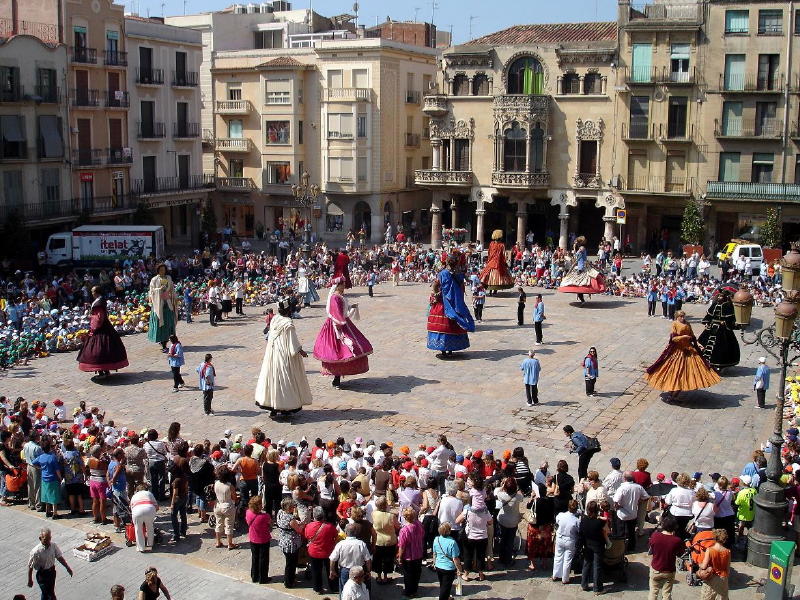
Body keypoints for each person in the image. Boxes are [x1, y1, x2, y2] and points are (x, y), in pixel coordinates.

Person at [645, 311, 722, 402]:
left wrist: (698, 344)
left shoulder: (688, 324)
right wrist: (683, 337)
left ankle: (676, 393)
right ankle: (672, 392)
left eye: (683, 316)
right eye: (680, 316)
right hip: (677, 350)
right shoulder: (675, 324)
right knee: (675, 371)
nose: (682, 318)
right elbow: (673, 338)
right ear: (677, 317)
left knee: (688, 372)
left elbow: (692, 336)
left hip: (689, 349)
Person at [255, 297, 312, 417]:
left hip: (272, 352)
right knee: (284, 378)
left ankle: (273, 408)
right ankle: (285, 407)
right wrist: (300, 351)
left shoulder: (275, 318)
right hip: (283, 353)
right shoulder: (287, 323)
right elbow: (293, 341)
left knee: (272, 377)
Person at [313, 276, 373, 388]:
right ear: (338, 285)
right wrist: (340, 327)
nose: (344, 286)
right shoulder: (334, 298)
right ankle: (336, 377)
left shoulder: (340, 296)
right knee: (338, 350)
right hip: (336, 326)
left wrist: (351, 307)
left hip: (344, 323)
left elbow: (343, 311)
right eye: (343, 284)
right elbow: (336, 314)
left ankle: (338, 376)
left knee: (350, 348)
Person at [427, 253, 475, 357]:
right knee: (453, 325)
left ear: (447, 262)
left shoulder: (443, 273)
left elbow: (435, 284)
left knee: (444, 325)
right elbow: (462, 286)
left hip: (444, 303)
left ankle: (443, 350)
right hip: (456, 303)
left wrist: (436, 294)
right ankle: (450, 350)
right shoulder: (459, 274)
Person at [77, 286, 129, 379]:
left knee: (98, 350)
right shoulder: (99, 301)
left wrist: (92, 322)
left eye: (93, 292)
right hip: (105, 326)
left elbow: (99, 318)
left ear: (96, 292)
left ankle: (103, 372)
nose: (92, 293)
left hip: (100, 328)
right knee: (103, 349)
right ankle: (105, 370)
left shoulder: (99, 303)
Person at [698, 289, 740, 370]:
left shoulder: (727, 305)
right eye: (719, 296)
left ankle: (719, 364)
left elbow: (731, 318)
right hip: (712, 327)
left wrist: (725, 322)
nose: (719, 298)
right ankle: (704, 362)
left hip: (722, 329)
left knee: (721, 346)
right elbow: (709, 315)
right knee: (704, 342)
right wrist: (707, 322)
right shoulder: (715, 304)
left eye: (721, 296)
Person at [27, 528, 73, 600]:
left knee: (47, 593)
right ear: (40, 538)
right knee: (50, 594)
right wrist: (30, 579)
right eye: (46, 540)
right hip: (42, 575)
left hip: (51, 573)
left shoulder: (53, 546)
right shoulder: (35, 551)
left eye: (49, 539)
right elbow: (30, 566)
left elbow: (59, 557)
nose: (48, 542)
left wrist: (67, 567)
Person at [558, 236, 606, 303]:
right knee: (577, 284)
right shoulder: (579, 249)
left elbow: (581, 258)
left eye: (576, 242)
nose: (575, 243)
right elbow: (576, 258)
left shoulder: (582, 248)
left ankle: (582, 300)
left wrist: (575, 249)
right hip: (579, 266)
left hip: (582, 267)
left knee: (580, 284)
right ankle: (582, 300)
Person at [648, 514, 684, 600]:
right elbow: (680, 554)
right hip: (669, 570)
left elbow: (651, 548)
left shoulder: (655, 536)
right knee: (667, 593)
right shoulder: (677, 540)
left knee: (653, 591)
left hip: (656, 568)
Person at [305, 506, 339, 594]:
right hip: (328, 552)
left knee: (316, 571)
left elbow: (307, 536)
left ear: (314, 516)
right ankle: (334, 586)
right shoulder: (330, 527)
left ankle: (317, 588)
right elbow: (335, 536)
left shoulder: (309, 526)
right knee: (331, 569)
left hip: (314, 552)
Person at [330, 522, 373, 593]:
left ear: (346, 533)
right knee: (359, 590)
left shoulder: (340, 544)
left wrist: (332, 570)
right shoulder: (361, 544)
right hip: (358, 571)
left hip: (345, 570)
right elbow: (368, 560)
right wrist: (368, 571)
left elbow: (332, 558)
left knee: (344, 591)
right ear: (356, 533)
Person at [613, 471, 649, 552]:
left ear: (624, 478)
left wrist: (617, 506)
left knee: (621, 532)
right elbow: (646, 497)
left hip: (622, 514)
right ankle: (631, 548)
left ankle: (620, 548)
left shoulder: (622, 488)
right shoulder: (638, 487)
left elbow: (616, 500)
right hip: (633, 514)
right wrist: (639, 500)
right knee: (631, 532)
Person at [579, 500, 609, 595]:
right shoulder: (599, 522)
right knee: (597, 567)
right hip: (597, 546)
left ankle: (584, 584)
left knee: (586, 564)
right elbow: (607, 531)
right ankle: (598, 588)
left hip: (587, 545)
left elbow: (581, 534)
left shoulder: (583, 520)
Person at [147, 264, 178, 352]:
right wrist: (159, 289)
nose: (162, 271)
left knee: (169, 324)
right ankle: (163, 344)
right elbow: (151, 291)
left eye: (164, 270)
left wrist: (174, 297)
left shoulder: (168, 278)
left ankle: (168, 341)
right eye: (161, 270)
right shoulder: (154, 279)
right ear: (158, 271)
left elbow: (172, 289)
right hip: (158, 305)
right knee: (161, 324)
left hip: (167, 303)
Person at [495, 476, 524, 567]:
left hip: (503, 519)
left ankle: (501, 558)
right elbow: (521, 495)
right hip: (513, 521)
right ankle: (508, 560)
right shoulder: (518, 496)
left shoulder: (502, 495)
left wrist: (503, 485)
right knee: (510, 541)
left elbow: (496, 492)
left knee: (502, 540)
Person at [397, 507, 425, 596]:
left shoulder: (404, 530)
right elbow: (423, 535)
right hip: (419, 553)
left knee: (408, 575)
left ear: (405, 517)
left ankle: (409, 592)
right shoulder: (419, 524)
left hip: (408, 556)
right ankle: (415, 589)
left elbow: (402, 546)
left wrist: (400, 557)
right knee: (417, 574)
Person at [277, 497, 304, 588]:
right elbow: (299, 530)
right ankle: (289, 582)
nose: (294, 507)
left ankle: (290, 579)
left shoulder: (280, 513)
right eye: (293, 506)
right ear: (289, 507)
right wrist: (302, 525)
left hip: (283, 540)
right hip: (291, 543)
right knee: (291, 564)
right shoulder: (290, 518)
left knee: (289, 562)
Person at [432, 522, 463, 600]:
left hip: (439, 565)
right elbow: (455, 558)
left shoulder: (436, 539)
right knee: (446, 586)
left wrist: (434, 563)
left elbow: (434, 553)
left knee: (442, 584)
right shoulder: (452, 542)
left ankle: (447, 596)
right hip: (448, 568)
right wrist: (459, 569)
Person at [32, 438, 62, 519]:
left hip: (44, 478)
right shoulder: (52, 457)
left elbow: (33, 463)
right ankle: (55, 513)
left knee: (46, 495)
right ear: (49, 447)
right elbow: (57, 470)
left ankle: (47, 511)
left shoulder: (41, 457)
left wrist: (40, 468)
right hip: (53, 478)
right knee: (54, 496)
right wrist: (60, 478)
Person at [697, 529, 731, 600]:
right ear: (724, 539)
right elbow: (728, 569)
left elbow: (704, 566)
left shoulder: (710, 550)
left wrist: (699, 564)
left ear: (715, 539)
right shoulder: (728, 551)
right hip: (723, 578)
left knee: (708, 597)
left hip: (712, 578)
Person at [552, 499, 580, 584]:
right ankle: (565, 578)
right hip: (570, 540)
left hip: (560, 538)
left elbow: (557, 522)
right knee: (567, 560)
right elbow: (578, 530)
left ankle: (555, 575)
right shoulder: (576, 520)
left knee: (558, 556)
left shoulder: (560, 515)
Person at [246, 495, 272, 584]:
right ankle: (263, 578)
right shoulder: (265, 516)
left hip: (253, 538)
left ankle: (254, 576)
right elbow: (270, 526)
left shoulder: (248, 513)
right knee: (263, 560)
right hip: (263, 539)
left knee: (255, 558)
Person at [479, 229, 514, 294]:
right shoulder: (501, 245)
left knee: (489, 277)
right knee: (498, 277)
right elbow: (503, 255)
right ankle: (495, 290)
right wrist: (505, 262)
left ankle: (490, 291)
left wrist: (489, 261)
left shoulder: (491, 244)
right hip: (498, 263)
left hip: (491, 262)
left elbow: (489, 253)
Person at [213, 465, 237, 550]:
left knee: (218, 524)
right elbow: (234, 497)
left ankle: (218, 541)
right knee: (229, 525)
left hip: (218, 505)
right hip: (228, 506)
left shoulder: (216, 483)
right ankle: (230, 543)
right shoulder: (230, 486)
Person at [130, 484, 158, 552]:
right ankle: (150, 544)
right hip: (149, 509)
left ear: (137, 490)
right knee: (150, 527)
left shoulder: (134, 496)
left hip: (137, 511)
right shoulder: (149, 493)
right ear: (146, 489)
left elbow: (131, 508)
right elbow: (157, 507)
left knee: (138, 529)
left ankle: (141, 548)